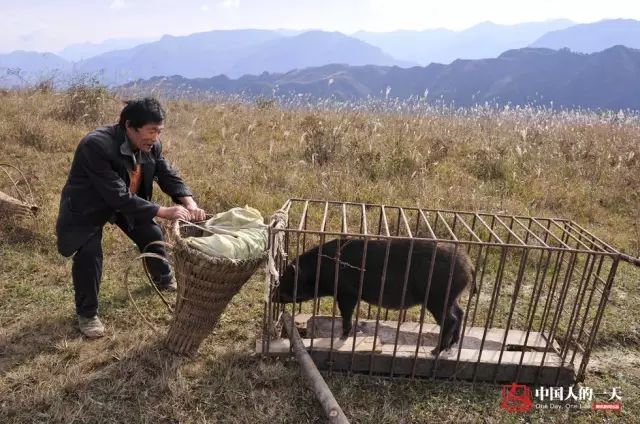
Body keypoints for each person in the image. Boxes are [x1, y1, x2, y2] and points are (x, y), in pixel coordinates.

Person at [56, 97, 206, 338]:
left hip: (126, 202)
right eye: (151, 131)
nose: (155, 137)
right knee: (89, 254)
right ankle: (87, 314)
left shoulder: (151, 146)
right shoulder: (95, 145)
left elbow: (167, 175)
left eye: (159, 131)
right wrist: (164, 212)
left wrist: (189, 202)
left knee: (151, 233)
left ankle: (163, 277)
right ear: (129, 126)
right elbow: (116, 195)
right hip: (88, 205)